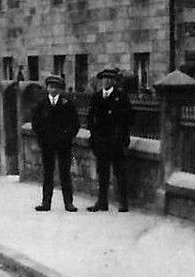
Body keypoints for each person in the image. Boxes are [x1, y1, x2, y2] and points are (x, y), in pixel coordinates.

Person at [85, 69, 133, 212]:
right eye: (104, 79)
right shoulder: (97, 97)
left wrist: (123, 139)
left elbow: (128, 119)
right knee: (102, 173)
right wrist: (94, 136)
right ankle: (102, 202)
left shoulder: (121, 97)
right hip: (101, 142)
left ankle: (123, 203)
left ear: (113, 81)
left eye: (109, 79)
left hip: (116, 142)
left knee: (120, 173)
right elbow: (90, 119)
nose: (106, 81)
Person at [32, 74, 81, 212]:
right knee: (48, 173)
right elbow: (36, 124)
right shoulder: (41, 104)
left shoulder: (67, 103)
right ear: (47, 88)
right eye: (51, 87)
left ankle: (68, 203)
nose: (53, 90)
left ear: (60, 90)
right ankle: (46, 203)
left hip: (63, 144)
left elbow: (75, 123)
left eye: (56, 87)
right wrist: (42, 139)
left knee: (65, 173)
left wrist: (67, 137)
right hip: (47, 144)